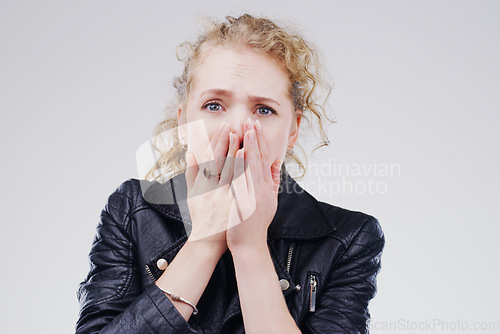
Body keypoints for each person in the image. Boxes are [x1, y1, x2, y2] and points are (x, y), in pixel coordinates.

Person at [76, 14, 385, 334]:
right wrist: (204, 241)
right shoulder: (132, 210)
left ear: (293, 130)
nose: (237, 128)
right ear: (184, 124)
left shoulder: (350, 237)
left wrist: (250, 246)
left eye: (264, 110)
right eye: (214, 105)